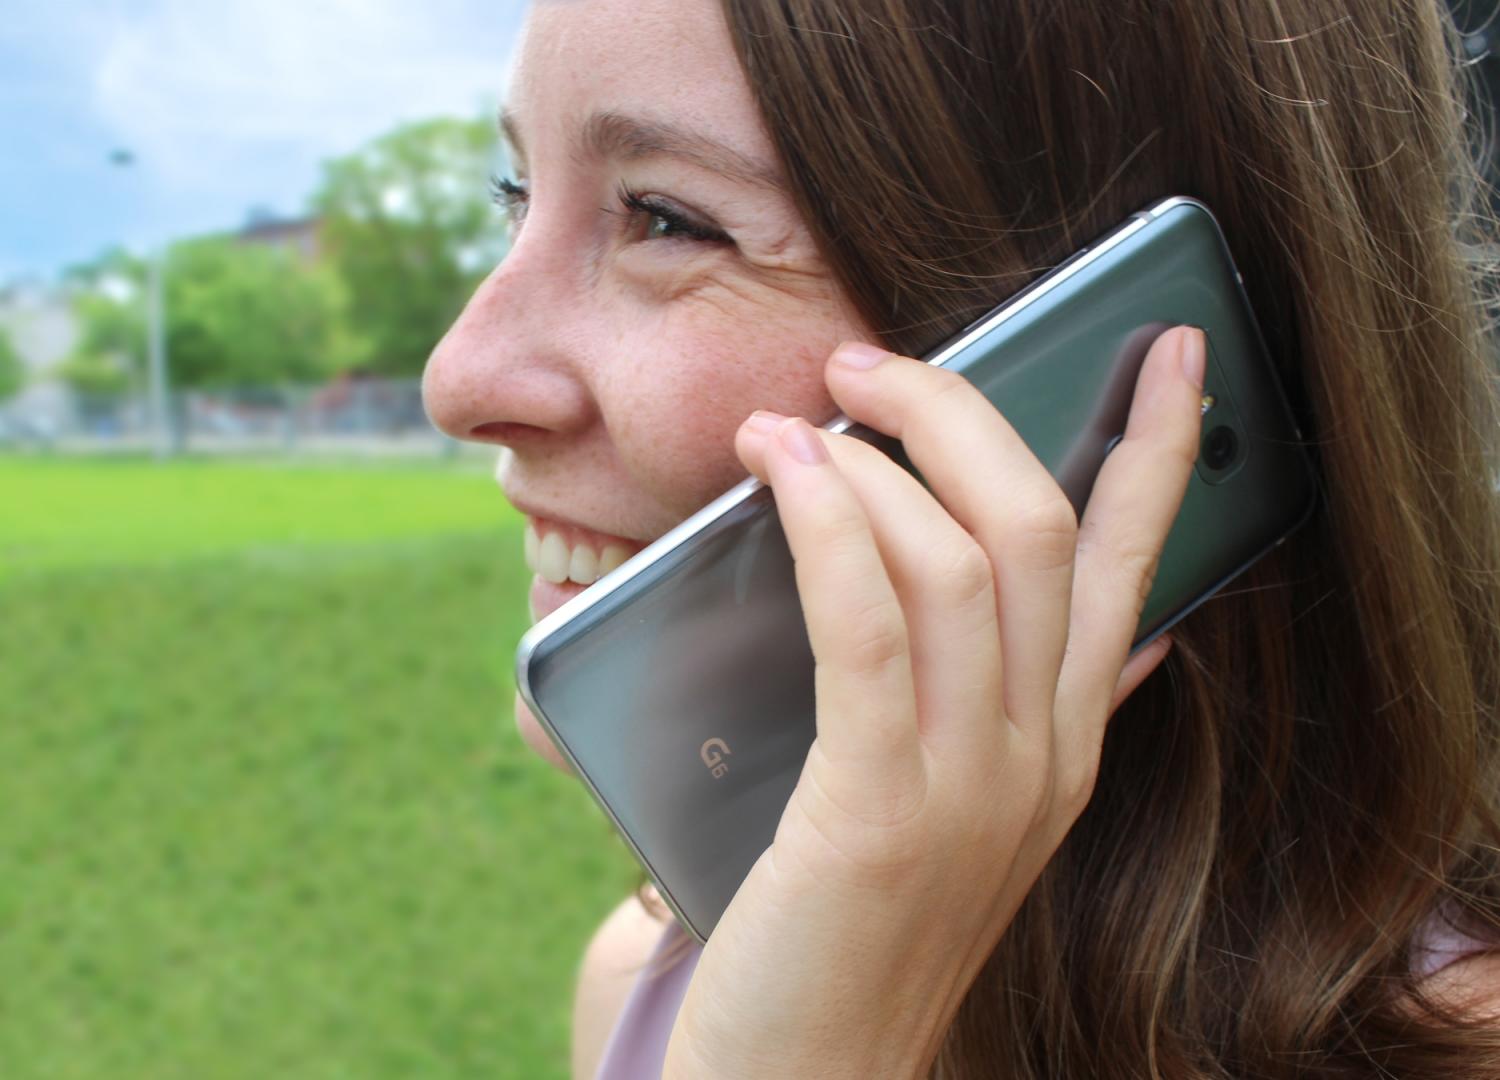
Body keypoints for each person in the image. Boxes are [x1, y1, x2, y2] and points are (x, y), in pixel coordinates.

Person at [421, 0, 1500, 1075]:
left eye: (669, 220)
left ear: (1110, 362)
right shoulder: (655, 981)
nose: (459, 378)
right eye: (516, 191)